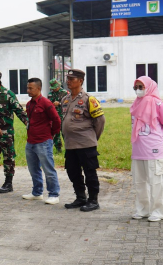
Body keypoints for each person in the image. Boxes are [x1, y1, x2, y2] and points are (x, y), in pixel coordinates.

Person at [61, 69, 105, 212]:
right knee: (73, 172)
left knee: (89, 172)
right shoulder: (65, 99)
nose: (68, 81)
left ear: (80, 81)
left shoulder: (89, 99)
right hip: (70, 144)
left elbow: (100, 121)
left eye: (72, 79)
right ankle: (80, 198)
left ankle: (93, 200)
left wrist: (92, 138)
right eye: (68, 78)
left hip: (86, 144)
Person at [130, 76, 163, 222]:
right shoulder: (136, 103)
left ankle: (158, 211)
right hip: (138, 149)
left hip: (154, 149)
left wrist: (160, 140)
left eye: (141, 87)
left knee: (156, 182)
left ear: (149, 87)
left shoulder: (158, 103)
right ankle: (143, 209)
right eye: (135, 87)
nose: (138, 90)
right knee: (140, 181)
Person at [22, 78, 62, 205]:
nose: (28, 90)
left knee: (48, 169)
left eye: (30, 88)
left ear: (38, 89)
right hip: (31, 142)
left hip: (43, 141)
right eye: (27, 88)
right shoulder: (29, 104)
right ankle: (37, 192)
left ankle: (54, 194)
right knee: (33, 169)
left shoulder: (46, 103)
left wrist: (51, 134)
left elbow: (57, 120)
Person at [47, 79, 67, 153]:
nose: (54, 89)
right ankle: (58, 148)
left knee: (65, 132)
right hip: (54, 116)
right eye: (53, 88)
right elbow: (48, 104)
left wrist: (59, 104)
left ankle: (69, 148)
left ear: (59, 85)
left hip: (63, 116)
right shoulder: (50, 94)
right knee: (56, 133)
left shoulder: (65, 93)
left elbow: (68, 104)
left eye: (55, 87)